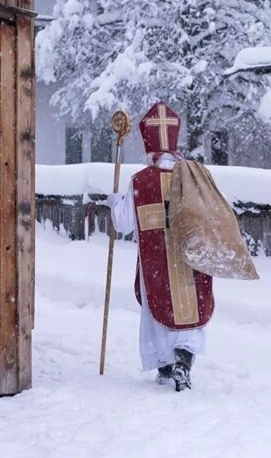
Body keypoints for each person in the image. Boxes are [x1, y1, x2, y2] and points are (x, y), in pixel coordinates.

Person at [108, 103, 214, 392]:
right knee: (189, 311)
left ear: (149, 147)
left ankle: (165, 366)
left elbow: (123, 224)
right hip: (189, 258)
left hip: (155, 265)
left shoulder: (141, 181)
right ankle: (183, 362)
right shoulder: (193, 176)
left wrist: (115, 202)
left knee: (158, 312)